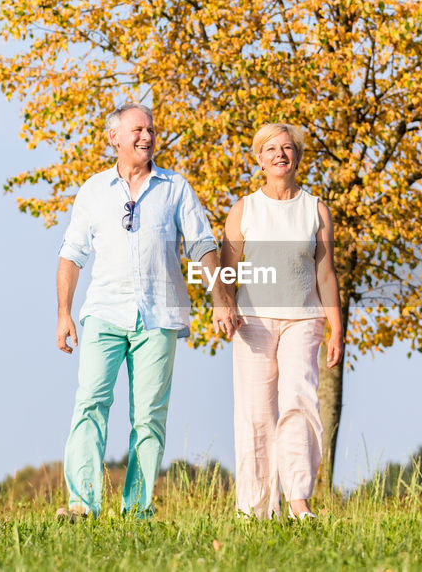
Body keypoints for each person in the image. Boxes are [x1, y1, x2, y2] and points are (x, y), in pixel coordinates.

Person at [54, 103, 238, 520]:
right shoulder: (93, 190)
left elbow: (203, 247)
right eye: (138, 130)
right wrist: (64, 313)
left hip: (160, 316)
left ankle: (136, 510)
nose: (147, 137)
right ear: (114, 137)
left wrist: (221, 299)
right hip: (103, 311)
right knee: (89, 403)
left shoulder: (175, 188)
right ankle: (82, 505)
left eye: (151, 130)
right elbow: (71, 254)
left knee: (149, 418)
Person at [220, 123, 344, 519]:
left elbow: (325, 274)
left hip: (303, 321)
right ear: (259, 159)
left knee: (299, 402)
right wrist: (223, 306)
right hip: (252, 323)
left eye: (287, 148)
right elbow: (226, 270)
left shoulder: (315, 210)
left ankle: (297, 500)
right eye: (270, 149)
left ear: (298, 158)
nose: (279, 154)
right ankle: (255, 507)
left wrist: (337, 328)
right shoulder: (243, 210)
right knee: (255, 413)